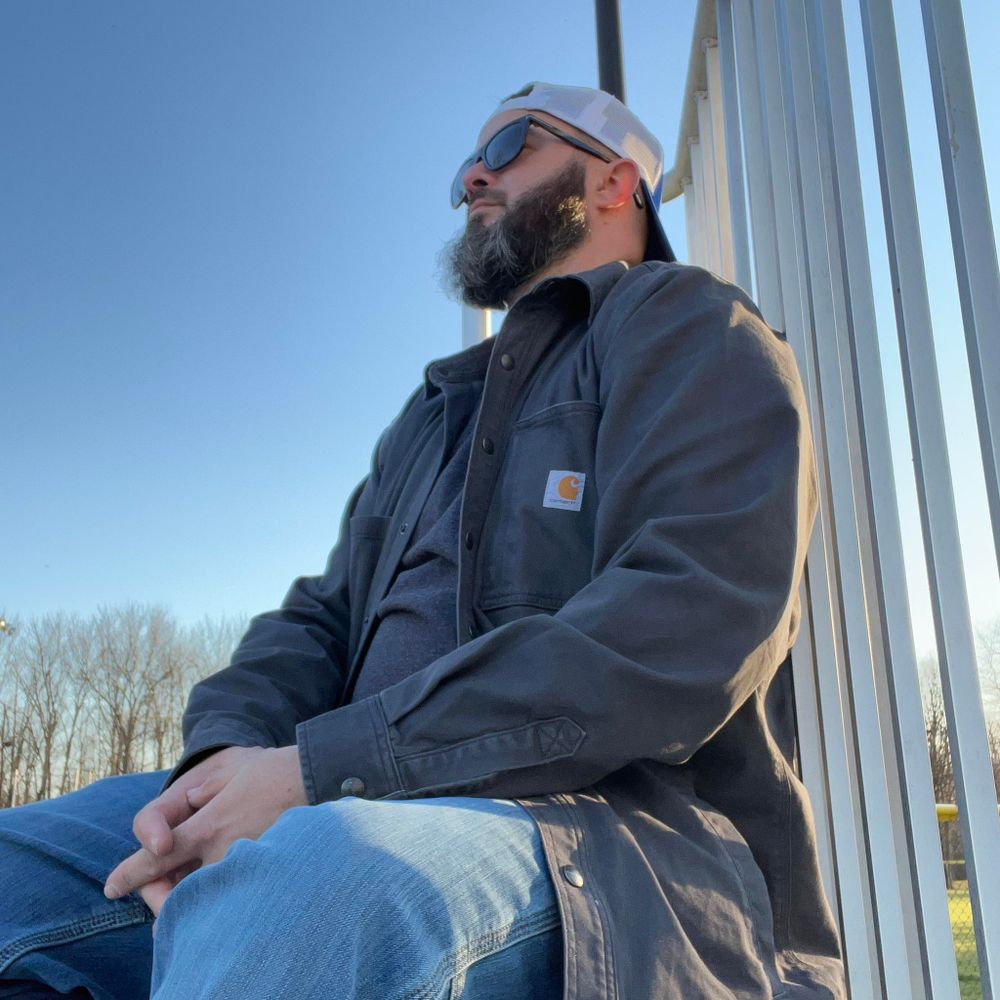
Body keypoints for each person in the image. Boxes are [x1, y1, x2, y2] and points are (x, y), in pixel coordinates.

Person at [0, 82, 845, 999]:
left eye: (512, 144)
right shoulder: (435, 412)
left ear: (617, 182)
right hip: (335, 797)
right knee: (19, 870)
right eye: (462, 169)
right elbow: (313, 623)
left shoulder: (691, 327)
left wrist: (326, 769)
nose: (473, 176)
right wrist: (216, 774)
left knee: (311, 892)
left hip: (604, 847)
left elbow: (685, 620)